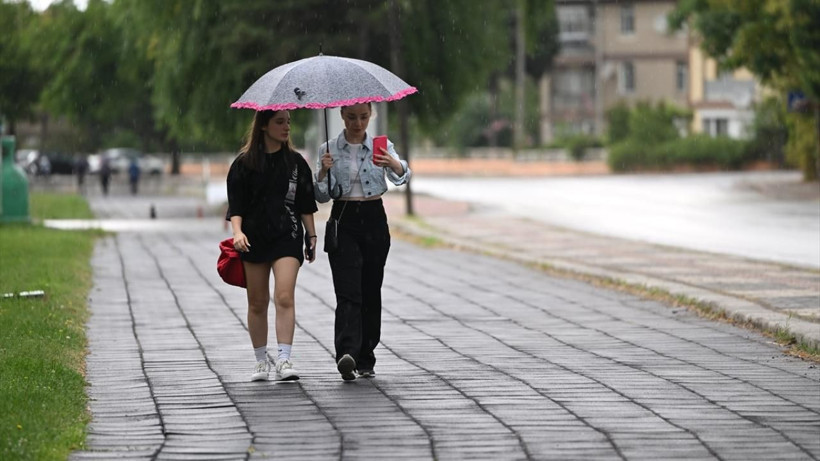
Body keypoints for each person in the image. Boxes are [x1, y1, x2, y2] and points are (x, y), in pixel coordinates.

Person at [314, 103, 411, 381]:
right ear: (342, 115)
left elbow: (402, 176)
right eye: (353, 117)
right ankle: (347, 353)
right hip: (343, 219)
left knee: (370, 289)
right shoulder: (328, 149)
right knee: (348, 291)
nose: (358, 123)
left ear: (371, 116)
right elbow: (321, 196)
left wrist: (392, 163)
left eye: (364, 117)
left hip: (374, 218)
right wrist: (322, 172)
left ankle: (366, 356)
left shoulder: (382, 145)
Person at [226, 109, 318, 382]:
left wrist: (311, 236)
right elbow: (236, 206)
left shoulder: (296, 163)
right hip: (253, 238)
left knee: (284, 296)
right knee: (257, 302)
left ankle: (284, 358)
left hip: (287, 235)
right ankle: (260, 361)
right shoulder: (243, 164)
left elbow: (305, 204)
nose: (286, 127)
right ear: (264, 126)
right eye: (280, 122)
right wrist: (237, 233)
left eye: (288, 122)